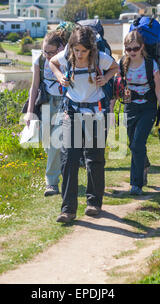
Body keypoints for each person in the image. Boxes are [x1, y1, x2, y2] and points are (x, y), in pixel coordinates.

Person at [49, 26, 119, 223]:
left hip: (95, 112)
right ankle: (68, 209)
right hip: (71, 110)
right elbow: (52, 63)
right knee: (69, 160)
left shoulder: (100, 58)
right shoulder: (67, 56)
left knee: (93, 159)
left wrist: (105, 78)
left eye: (83, 51)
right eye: (76, 50)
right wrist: (59, 76)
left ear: (91, 50)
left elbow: (116, 67)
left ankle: (94, 203)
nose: (79, 55)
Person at [118, 31, 160, 195]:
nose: (132, 52)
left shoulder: (150, 64)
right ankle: (144, 164)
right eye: (129, 49)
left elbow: (159, 91)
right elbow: (118, 86)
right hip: (130, 107)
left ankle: (136, 184)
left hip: (148, 107)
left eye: (136, 48)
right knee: (133, 144)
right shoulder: (123, 63)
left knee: (137, 144)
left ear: (142, 47)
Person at [24, 31, 66, 197]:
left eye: (51, 52)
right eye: (45, 52)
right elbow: (34, 87)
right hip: (46, 103)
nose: (47, 56)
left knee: (55, 142)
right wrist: (29, 112)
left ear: (60, 48)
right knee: (46, 141)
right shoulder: (39, 60)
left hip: (63, 102)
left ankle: (51, 183)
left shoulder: (66, 60)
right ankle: (61, 165)